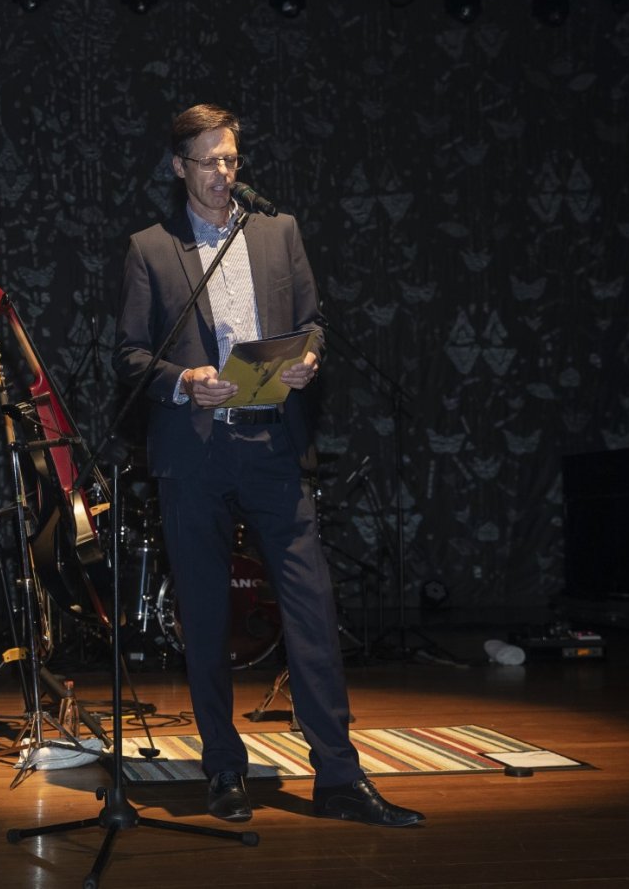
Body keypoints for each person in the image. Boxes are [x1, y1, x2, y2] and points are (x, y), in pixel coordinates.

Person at [112, 104, 424, 828]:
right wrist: (186, 381)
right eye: (210, 161)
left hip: (273, 446)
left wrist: (308, 359)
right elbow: (129, 357)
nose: (225, 172)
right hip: (195, 453)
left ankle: (339, 777)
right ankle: (224, 770)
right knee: (207, 615)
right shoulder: (151, 249)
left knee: (313, 609)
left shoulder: (279, 232)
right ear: (179, 167)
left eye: (232, 159)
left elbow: (313, 323)